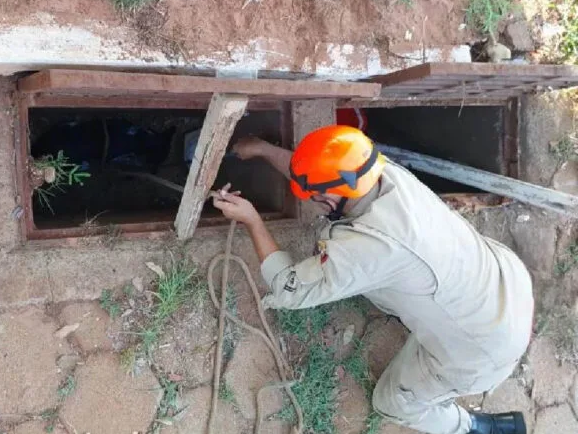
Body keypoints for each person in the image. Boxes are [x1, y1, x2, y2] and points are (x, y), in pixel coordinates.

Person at [212, 126, 533, 434]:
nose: (310, 198)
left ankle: (476, 428)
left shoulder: (369, 248)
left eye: (312, 196)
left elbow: (288, 288)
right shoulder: (373, 169)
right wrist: (263, 150)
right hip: (503, 282)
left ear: (328, 198)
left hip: (483, 344)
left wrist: (251, 219)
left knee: (392, 402)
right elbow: (320, 178)